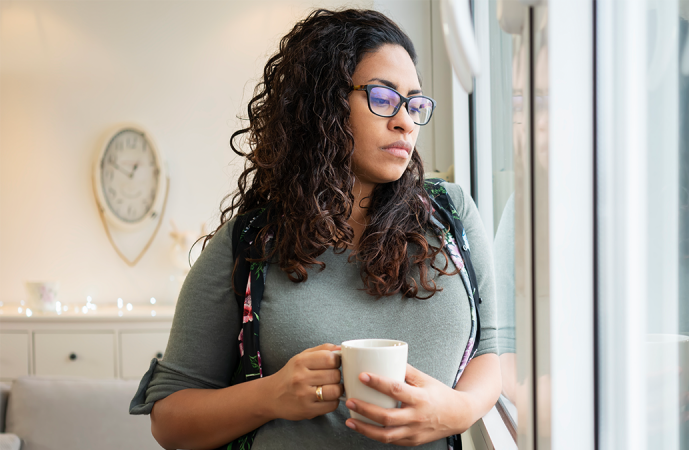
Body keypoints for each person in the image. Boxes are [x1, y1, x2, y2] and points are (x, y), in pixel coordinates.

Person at [129, 8, 500, 450]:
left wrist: (457, 411)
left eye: (414, 104)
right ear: (322, 104)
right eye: (383, 97)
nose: (405, 121)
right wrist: (270, 396)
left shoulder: (450, 213)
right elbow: (169, 421)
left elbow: (492, 350)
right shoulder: (249, 242)